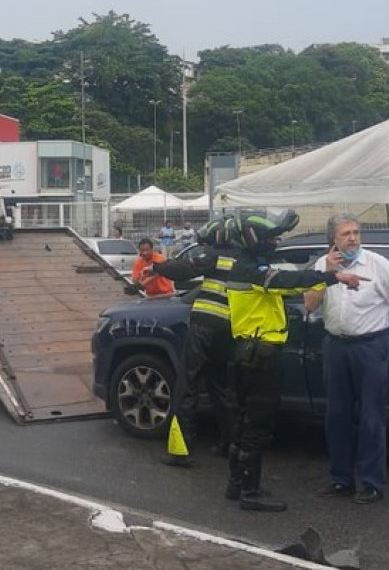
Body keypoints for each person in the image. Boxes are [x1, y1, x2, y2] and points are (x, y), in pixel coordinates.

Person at [220, 211, 363, 512]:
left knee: (243, 421)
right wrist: (332, 276)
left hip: (247, 352)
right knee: (257, 424)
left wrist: (325, 273)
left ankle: (237, 484)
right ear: (254, 240)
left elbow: (288, 283)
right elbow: (289, 282)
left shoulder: (243, 266)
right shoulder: (251, 270)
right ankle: (250, 491)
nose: (275, 243)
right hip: (260, 355)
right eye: (270, 238)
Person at [304, 214, 389, 505]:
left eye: (356, 232)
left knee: (371, 417)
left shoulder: (376, 263)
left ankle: (372, 482)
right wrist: (327, 273)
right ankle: (341, 479)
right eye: (346, 234)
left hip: (370, 347)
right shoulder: (323, 265)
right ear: (333, 240)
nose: (353, 238)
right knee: (337, 416)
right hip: (336, 346)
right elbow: (310, 305)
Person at [148, 219, 239, 467]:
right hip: (227, 330)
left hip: (203, 328)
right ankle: (230, 443)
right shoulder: (243, 259)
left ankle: (181, 450)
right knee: (222, 388)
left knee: (187, 385)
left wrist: (157, 266)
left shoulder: (214, 256)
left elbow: (184, 269)